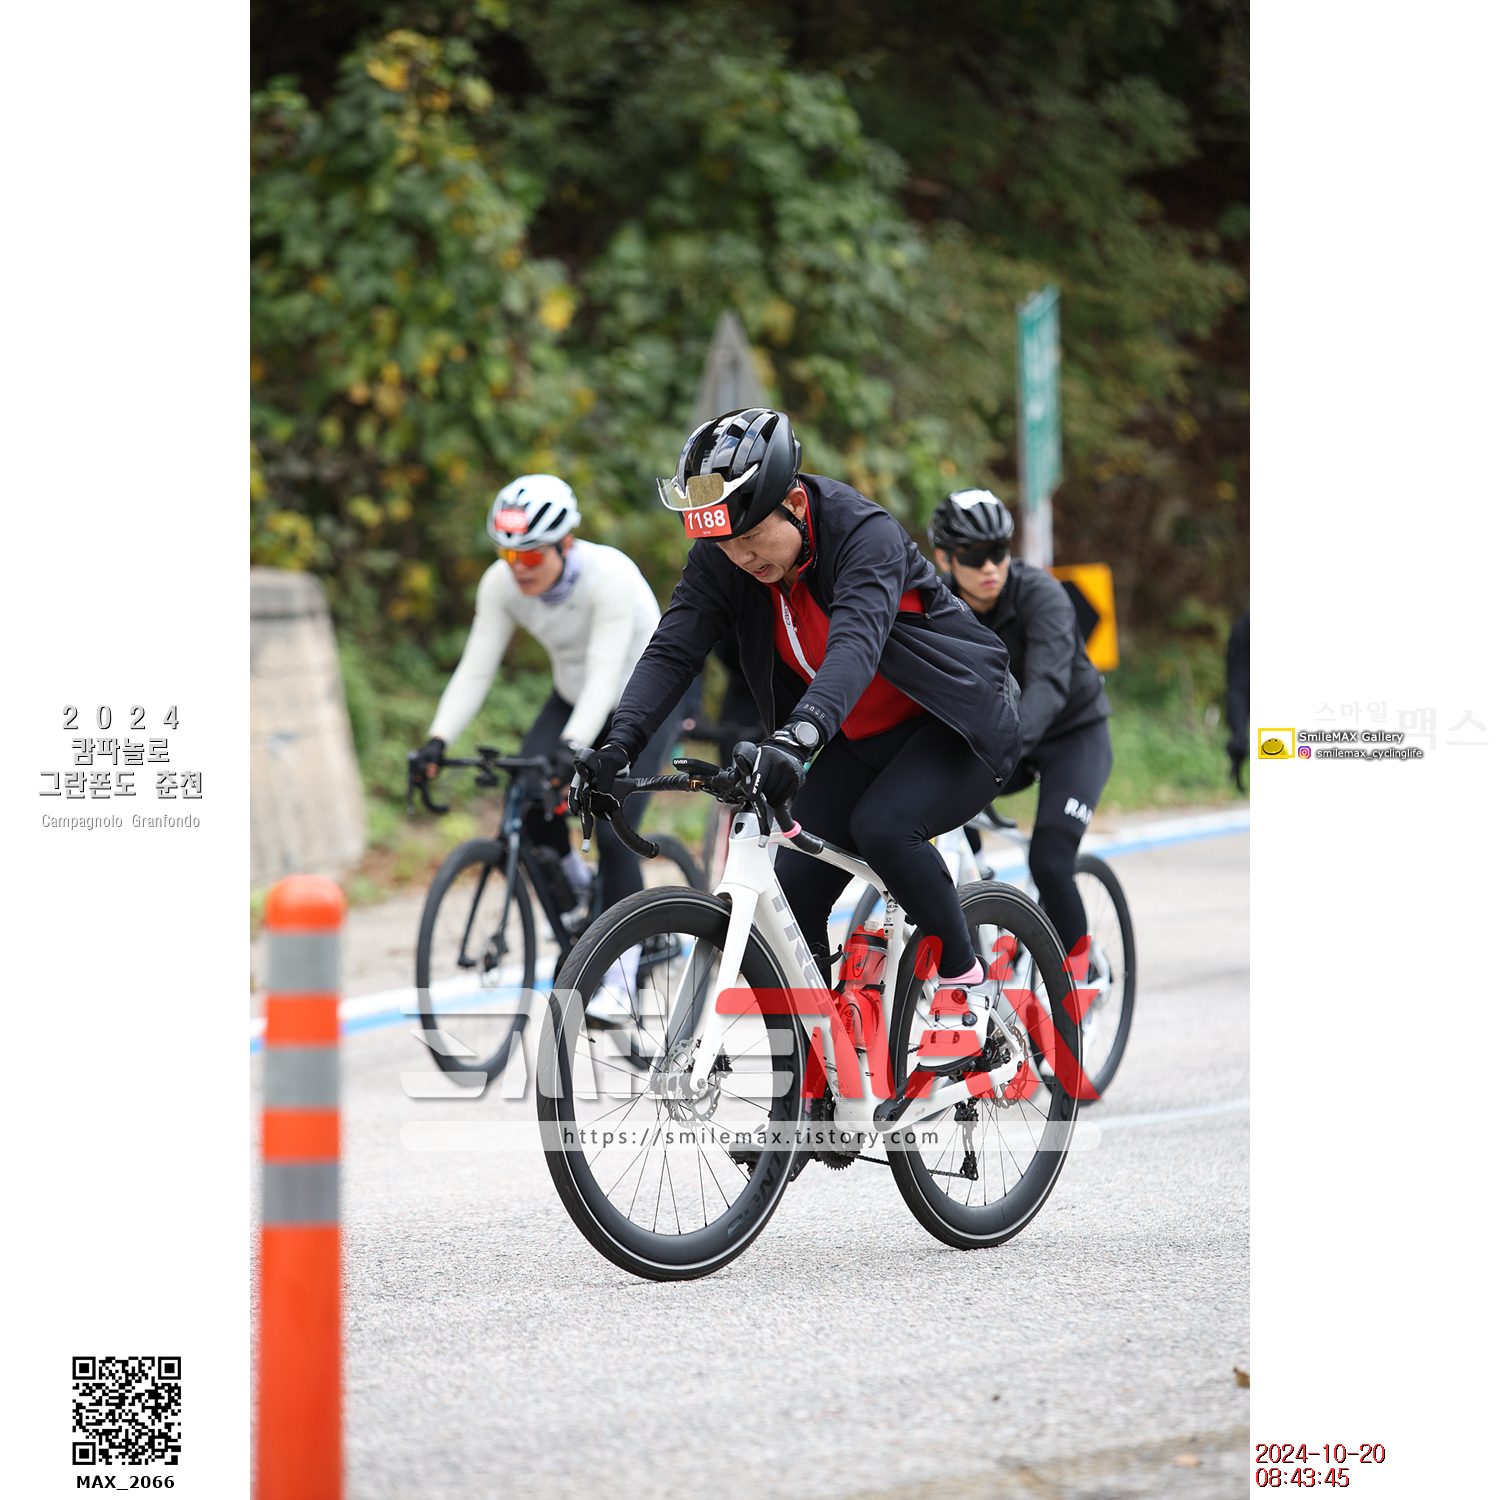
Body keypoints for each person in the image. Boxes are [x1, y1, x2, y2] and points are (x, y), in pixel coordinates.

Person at [575, 408, 1025, 1071]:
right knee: (792, 893)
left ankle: (967, 986)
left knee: (884, 827)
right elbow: (673, 650)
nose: (740, 557)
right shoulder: (726, 553)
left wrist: (797, 738)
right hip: (855, 735)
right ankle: (820, 1072)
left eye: (751, 538)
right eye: (724, 544)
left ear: (792, 504)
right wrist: (618, 745)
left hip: (955, 724)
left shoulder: (862, 533)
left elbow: (854, 646)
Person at [411, 473, 679, 943]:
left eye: (531, 555)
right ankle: (579, 902)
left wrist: (570, 746)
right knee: (530, 802)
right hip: (573, 696)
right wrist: (438, 740)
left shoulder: (610, 577)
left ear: (565, 543)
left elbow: (604, 674)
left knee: (614, 831)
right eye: (507, 553)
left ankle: (622, 964)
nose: (518, 567)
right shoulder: (501, 584)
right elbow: (475, 669)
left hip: (643, 704)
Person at [929, 489, 1113, 965]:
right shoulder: (936, 603)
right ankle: (981, 888)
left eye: (999, 551)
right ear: (945, 558)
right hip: (1001, 738)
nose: (991, 566)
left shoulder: (1041, 594)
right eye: (974, 555)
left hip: (1073, 735)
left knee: (1049, 861)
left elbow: (1049, 685)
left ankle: (1079, 977)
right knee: (932, 807)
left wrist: (998, 748)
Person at [1225, 610, 1249, 790]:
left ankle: (1235, 775)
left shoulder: (1238, 628)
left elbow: (1228, 664)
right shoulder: (1241, 628)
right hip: (1239, 692)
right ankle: (1236, 775)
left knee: (1239, 737)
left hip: (1237, 692)